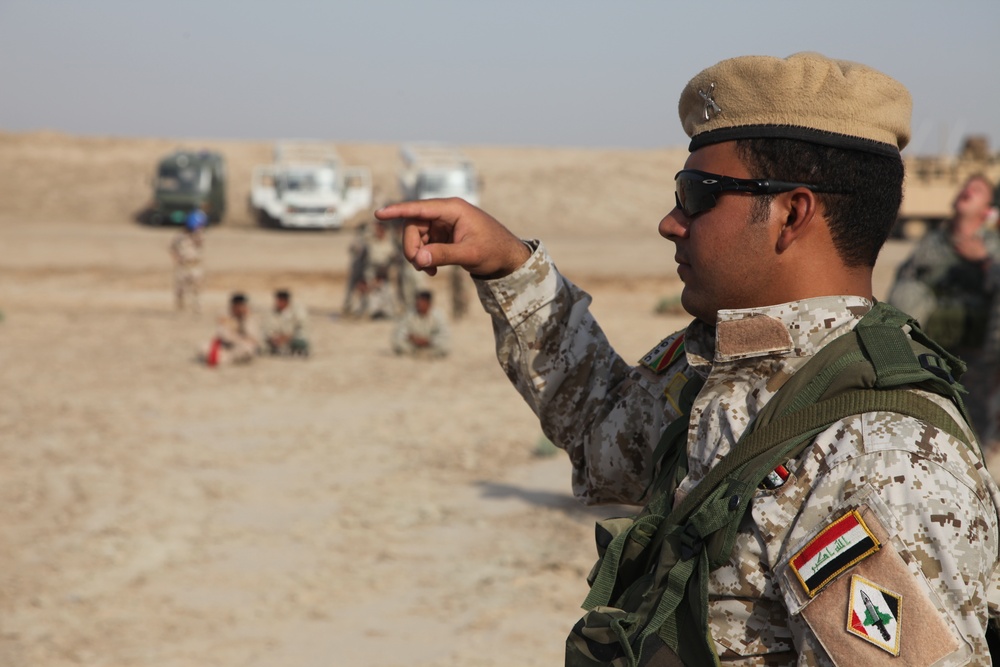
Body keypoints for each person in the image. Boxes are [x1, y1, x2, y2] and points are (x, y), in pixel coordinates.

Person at [377, 53, 1000, 665]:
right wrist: (511, 268)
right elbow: (606, 439)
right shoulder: (738, 365)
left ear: (791, 213)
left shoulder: (878, 455)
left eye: (697, 195)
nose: (670, 223)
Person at [888, 175, 1000, 441]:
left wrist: (983, 261)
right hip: (933, 351)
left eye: (977, 189)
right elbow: (904, 285)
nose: (967, 190)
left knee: (974, 429)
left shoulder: (992, 245)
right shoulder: (931, 243)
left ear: (986, 208)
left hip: (977, 358)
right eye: (965, 187)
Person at [201, 292, 261, 366]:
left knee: (248, 349)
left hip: (240, 346)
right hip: (226, 346)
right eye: (237, 306)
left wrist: (245, 319)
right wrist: (238, 338)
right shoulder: (225, 315)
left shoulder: (248, 317)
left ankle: (225, 359)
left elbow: (253, 337)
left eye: (241, 305)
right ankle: (225, 359)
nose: (239, 308)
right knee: (203, 348)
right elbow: (223, 334)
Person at [169, 207, 206, 313]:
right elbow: (172, 248)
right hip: (183, 266)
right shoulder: (179, 237)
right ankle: (180, 309)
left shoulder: (198, 235)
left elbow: (200, 242)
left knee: (197, 289)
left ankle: (198, 308)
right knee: (180, 289)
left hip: (195, 265)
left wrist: (197, 232)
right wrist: (176, 259)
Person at [392, 290, 450, 357]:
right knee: (398, 343)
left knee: (444, 347)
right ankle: (416, 353)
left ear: (429, 304)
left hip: (430, 345)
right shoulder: (409, 314)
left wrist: (428, 341)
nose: (418, 305)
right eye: (417, 303)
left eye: (422, 303)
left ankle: (426, 354)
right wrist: (411, 338)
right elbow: (400, 331)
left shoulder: (438, 316)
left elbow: (444, 335)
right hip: (413, 345)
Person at [263, 289, 309, 356]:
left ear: (285, 301)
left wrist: (286, 337)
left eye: (279, 301)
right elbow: (269, 327)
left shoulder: (297, 312)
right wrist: (273, 337)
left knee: (300, 341)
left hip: (293, 338)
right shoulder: (274, 312)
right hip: (278, 339)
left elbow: (301, 328)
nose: (277, 303)